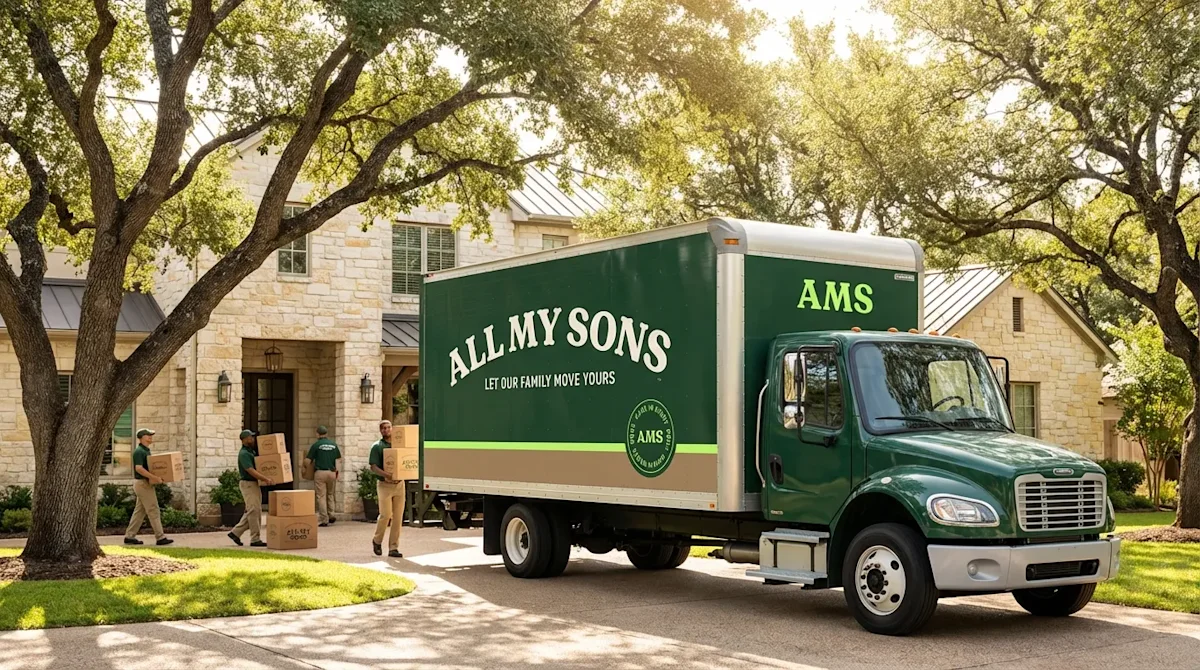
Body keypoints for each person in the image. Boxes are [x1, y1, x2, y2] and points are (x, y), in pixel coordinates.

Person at [124, 428, 173, 546]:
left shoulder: (145, 450)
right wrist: (155, 478)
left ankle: (129, 536)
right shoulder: (139, 451)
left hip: (145, 484)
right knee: (153, 509)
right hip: (143, 484)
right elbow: (139, 468)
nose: (150, 436)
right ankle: (160, 537)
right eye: (148, 435)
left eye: (151, 435)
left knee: (139, 512)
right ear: (141, 437)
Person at [228, 429, 274, 547]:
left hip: (253, 484)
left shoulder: (251, 451)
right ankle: (255, 539)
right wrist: (265, 478)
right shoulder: (244, 454)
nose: (252, 439)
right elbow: (250, 470)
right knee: (254, 510)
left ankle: (235, 533)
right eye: (250, 437)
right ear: (244, 439)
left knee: (254, 510)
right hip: (248, 484)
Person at [369, 420, 404, 558]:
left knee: (398, 518)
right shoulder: (377, 446)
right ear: (380, 430)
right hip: (384, 485)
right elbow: (373, 467)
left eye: (388, 427)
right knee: (385, 515)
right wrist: (387, 475)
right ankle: (377, 541)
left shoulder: (399, 445)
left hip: (399, 485)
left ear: (392, 429)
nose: (386, 430)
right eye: (383, 428)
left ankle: (393, 548)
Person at [305, 425, 341, 527]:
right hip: (331, 472)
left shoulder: (316, 445)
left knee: (321, 496)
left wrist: (304, 469)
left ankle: (324, 519)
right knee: (330, 494)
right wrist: (337, 473)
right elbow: (338, 460)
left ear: (317, 434)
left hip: (320, 472)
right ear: (326, 433)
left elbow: (308, 460)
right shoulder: (333, 445)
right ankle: (331, 514)